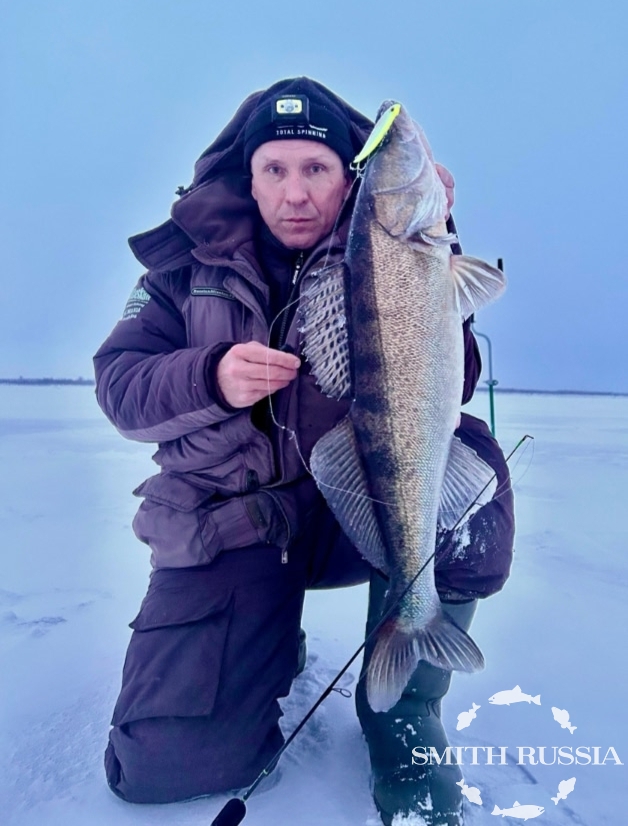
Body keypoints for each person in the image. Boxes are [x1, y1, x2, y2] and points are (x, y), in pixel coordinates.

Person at [94, 77, 514, 826]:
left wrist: (437, 239)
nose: (295, 193)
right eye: (275, 170)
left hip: (360, 511)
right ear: (247, 177)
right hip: (238, 525)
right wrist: (210, 376)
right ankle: (262, 637)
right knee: (160, 768)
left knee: (470, 482)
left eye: (316, 168)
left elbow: (453, 379)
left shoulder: (385, 249)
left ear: (348, 176)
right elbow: (120, 384)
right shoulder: (180, 270)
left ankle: (404, 711)